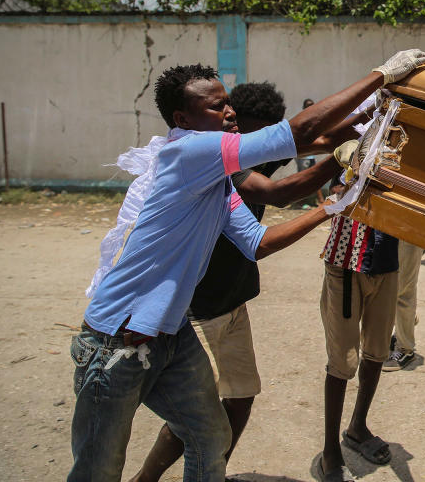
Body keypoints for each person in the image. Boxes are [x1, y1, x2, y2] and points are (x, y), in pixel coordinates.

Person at [68, 49, 425, 482]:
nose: (229, 111)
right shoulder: (189, 153)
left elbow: (257, 242)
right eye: (215, 106)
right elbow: (300, 132)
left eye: (227, 102)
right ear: (182, 120)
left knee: (210, 439)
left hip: (169, 334)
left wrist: (333, 205)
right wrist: (380, 76)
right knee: (99, 468)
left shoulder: (215, 182)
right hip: (116, 340)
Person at [128, 82, 346, 482]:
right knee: (197, 417)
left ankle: (214, 472)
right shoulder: (220, 161)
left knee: (240, 397)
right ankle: (147, 478)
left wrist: (365, 128)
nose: (255, 139)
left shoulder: (252, 149)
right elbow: (280, 194)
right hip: (198, 309)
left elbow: (315, 140)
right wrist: (342, 163)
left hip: (231, 300)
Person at [317, 202, 403, 481]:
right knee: (342, 360)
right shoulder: (346, 156)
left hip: (387, 261)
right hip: (346, 260)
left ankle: (357, 426)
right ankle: (330, 450)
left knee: (377, 350)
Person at [382, 241, 425, 371]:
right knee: (381, 285)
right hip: (384, 228)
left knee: (403, 291)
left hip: (411, 230)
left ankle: (405, 349)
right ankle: (406, 322)